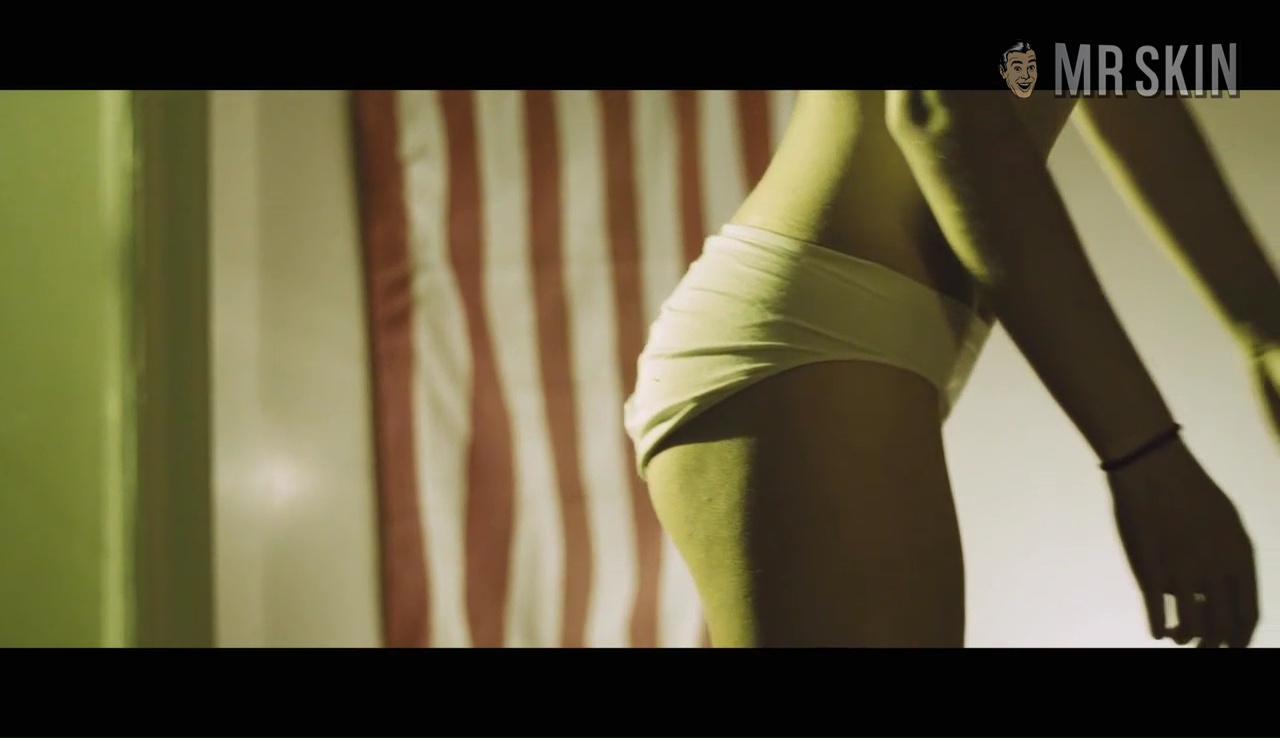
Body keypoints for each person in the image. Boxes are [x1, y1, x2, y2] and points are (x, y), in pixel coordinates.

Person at [623, 87, 1277, 648]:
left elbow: (1125, 92)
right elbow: (943, 111)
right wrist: (1146, 455)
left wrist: (1263, 331)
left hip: (840, 339)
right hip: (810, 335)